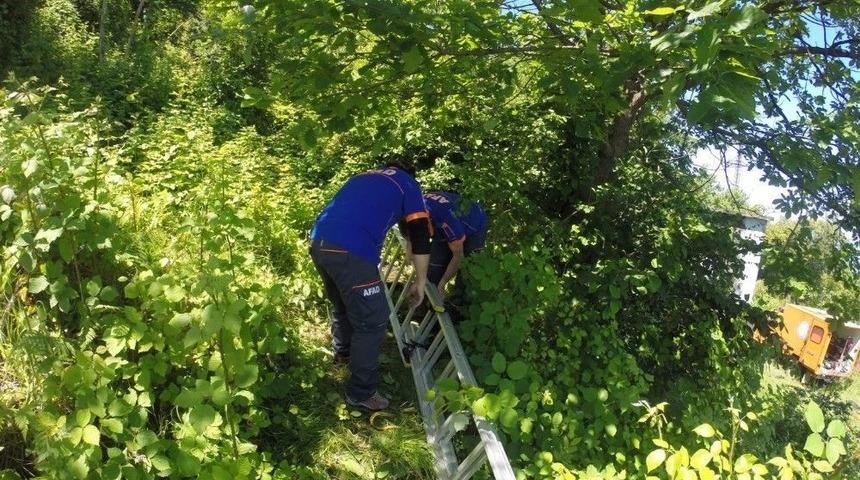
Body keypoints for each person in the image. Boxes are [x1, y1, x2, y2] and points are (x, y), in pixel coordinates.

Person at [309, 161, 431, 411]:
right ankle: (361, 392)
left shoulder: (363, 177)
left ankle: (343, 354)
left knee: (342, 303)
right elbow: (419, 235)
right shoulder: (408, 183)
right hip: (351, 251)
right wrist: (420, 281)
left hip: (319, 241)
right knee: (373, 320)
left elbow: (406, 229)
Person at [423, 191, 487, 302]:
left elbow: (458, 257)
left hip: (474, 224)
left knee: (468, 269)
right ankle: (427, 301)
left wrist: (443, 283)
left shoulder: (449, 223)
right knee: (435, 265)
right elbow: (410, 236)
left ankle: (458, 304)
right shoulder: (412, 209)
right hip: (447, 217)